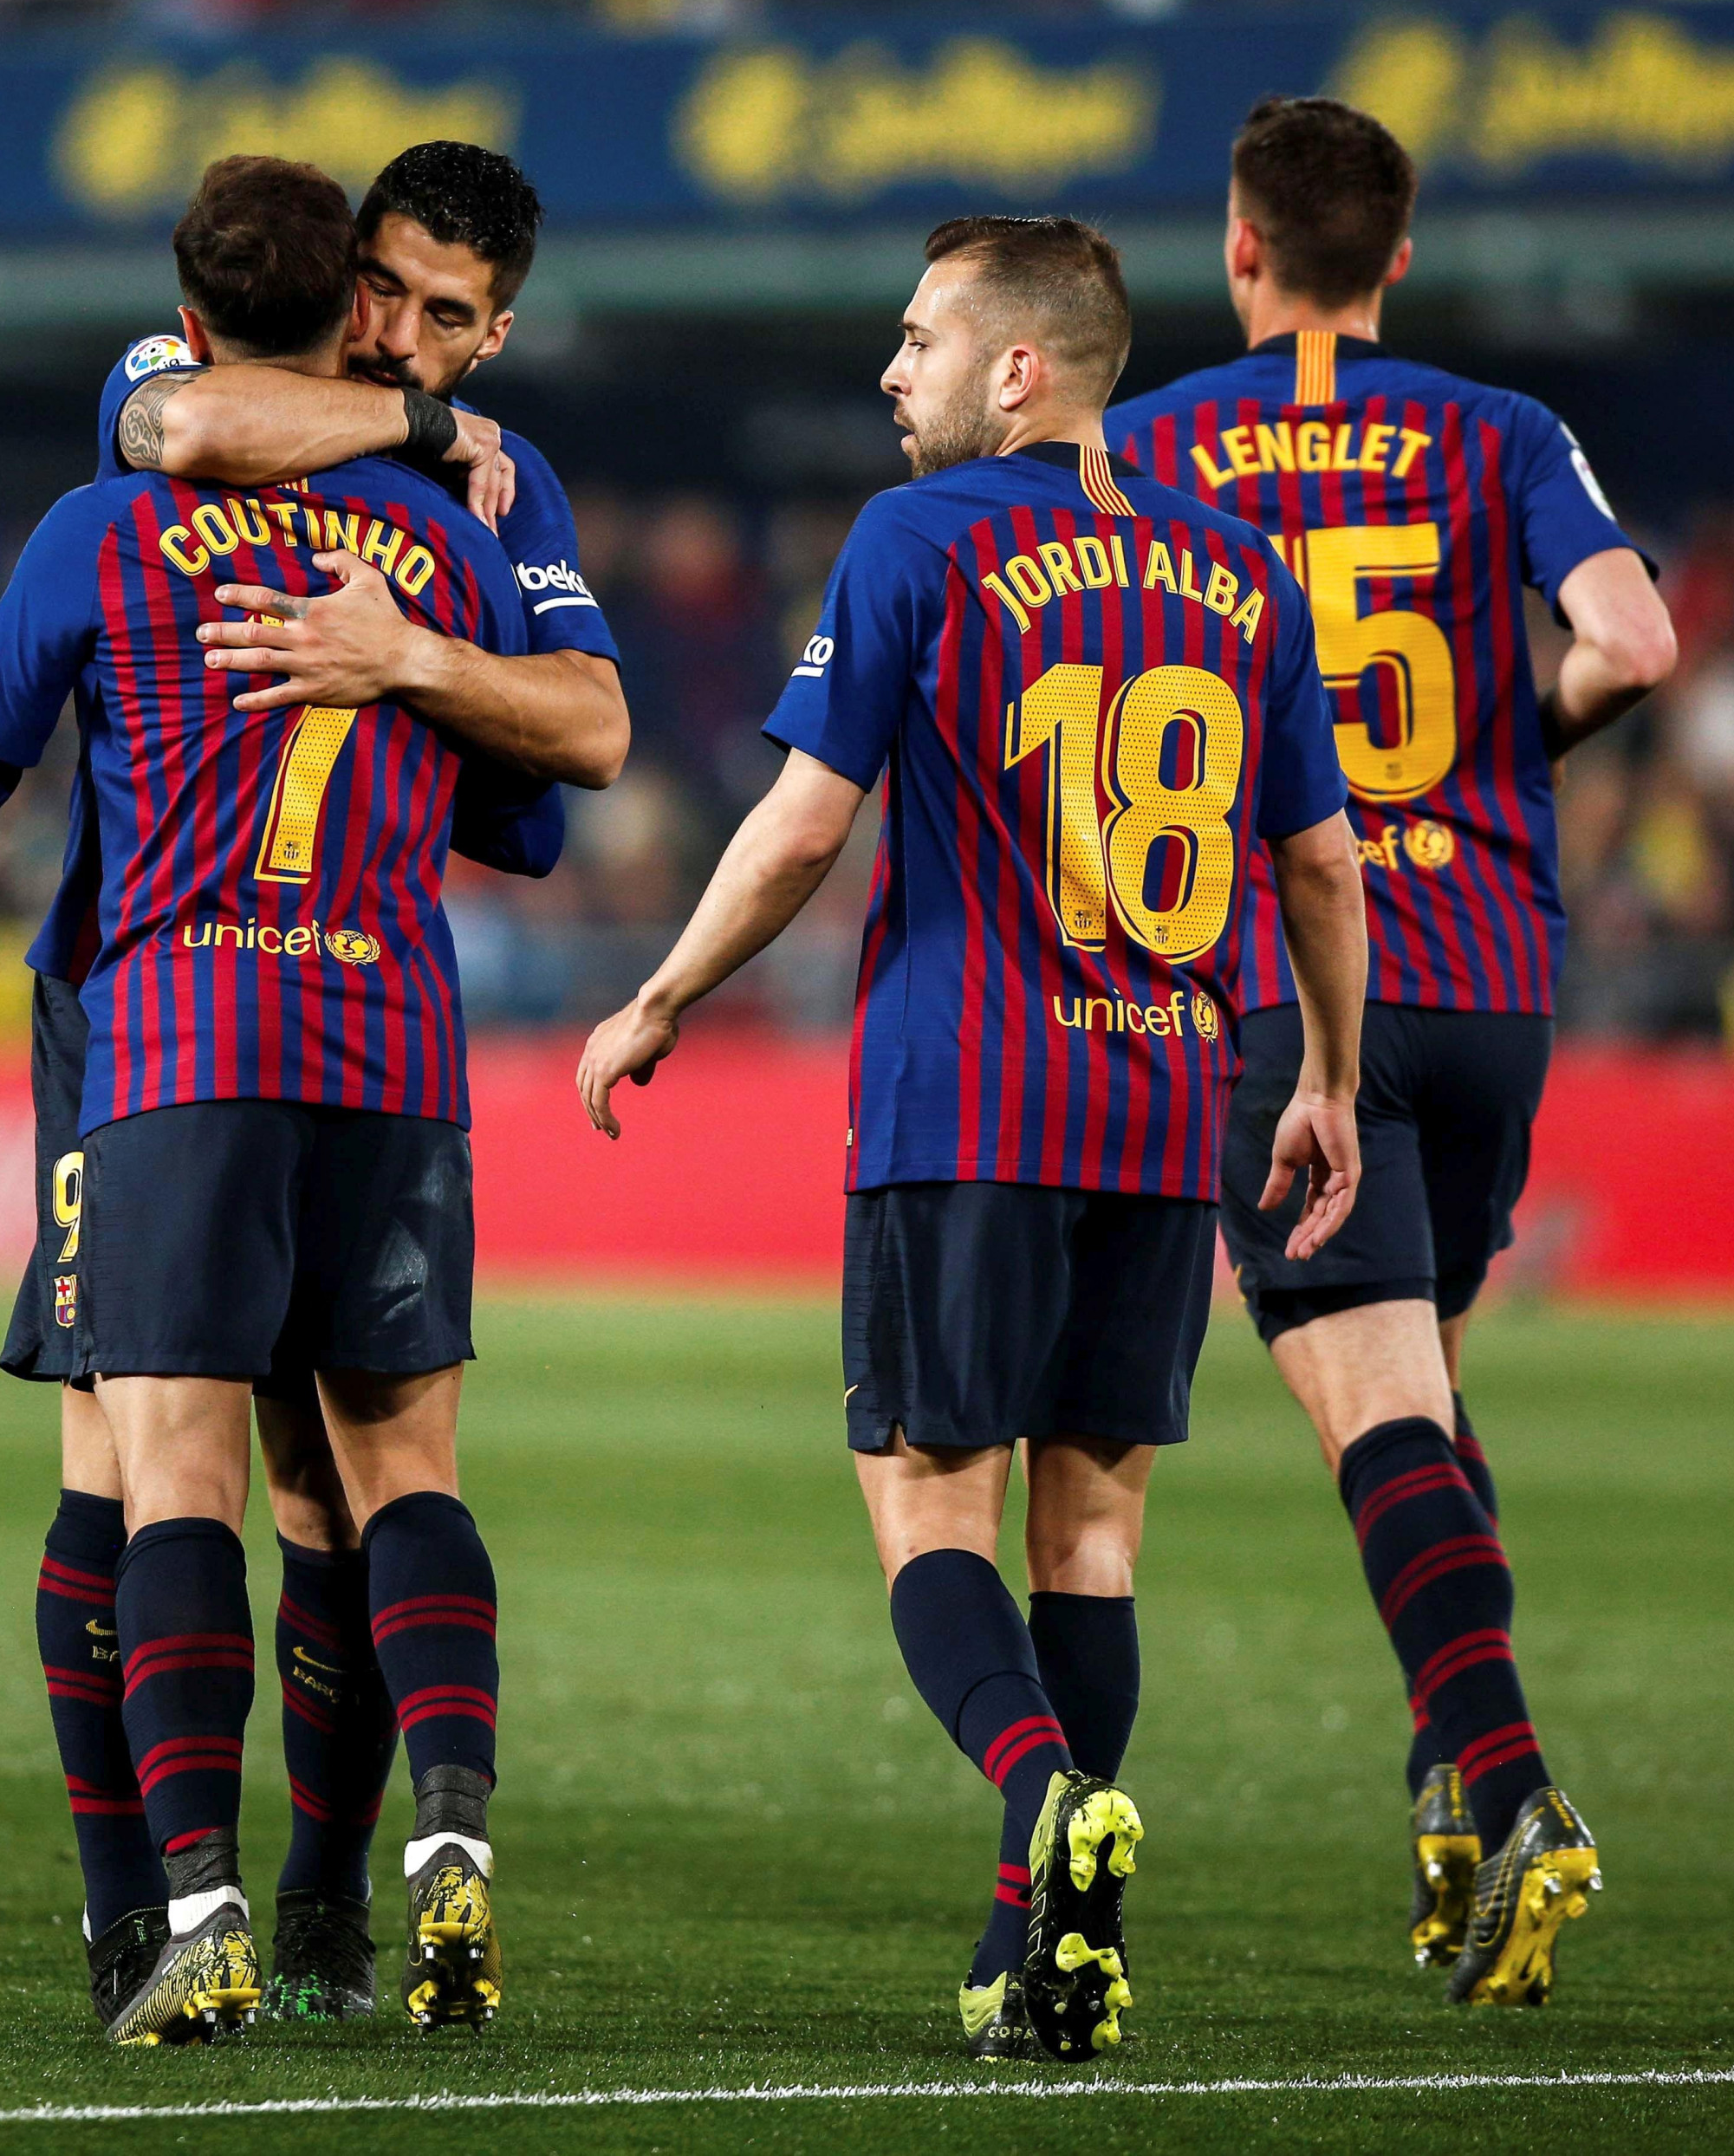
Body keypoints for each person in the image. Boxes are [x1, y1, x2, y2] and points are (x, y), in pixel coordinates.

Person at [577, 216, 1368, 2064]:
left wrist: (665, 992)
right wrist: (1323, 1073)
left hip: (973, 1102)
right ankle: (1039, 1941)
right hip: (1169, 1106)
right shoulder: (1240, 570)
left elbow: (793, 829)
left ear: (1019, 367)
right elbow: (1319, 859)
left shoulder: (916, 540)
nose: (889, 368)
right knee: (1085, 1541)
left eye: (918, 337)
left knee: (927, 1504)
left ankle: (1035, 1794)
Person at [0, 155, 598, 2045]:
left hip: (162, 1019)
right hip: (373, 1023)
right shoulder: (450, 480)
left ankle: (221, 1903)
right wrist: (426, 494)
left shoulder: (122, 507)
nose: (406, 332)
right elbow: (536, 809)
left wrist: (410, 663)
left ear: (496, 324)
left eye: (448, 319)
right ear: (352, 291)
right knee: (361, 1475)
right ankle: (349, 1872)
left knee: (173, 1469)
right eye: (386, 295)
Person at [1106, 96, 1675, 2006]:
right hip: (1493, 969)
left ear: (1237, 249)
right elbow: (1635, 640)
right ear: (1399, 257)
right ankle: (1445, 1785)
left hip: (1290, 979)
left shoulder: (1154, 442)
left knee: (1371, 1418)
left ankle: (1508, 1785)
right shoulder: (1496, 431)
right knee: (1413, 1390)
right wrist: (1511, 742)